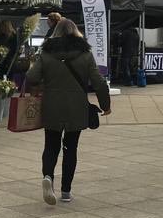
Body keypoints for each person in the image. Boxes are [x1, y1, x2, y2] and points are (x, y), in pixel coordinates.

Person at [25, 17, 110, 205]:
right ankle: (66, 192)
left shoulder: (46, 54)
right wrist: (105, 105)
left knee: (50, 146)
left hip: (51, 106)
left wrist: (42, 81)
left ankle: (48, 177)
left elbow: (31, 76)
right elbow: (99, 83)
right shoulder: (85, 54)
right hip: (76, 108)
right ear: (76, 32)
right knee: (70, 148)